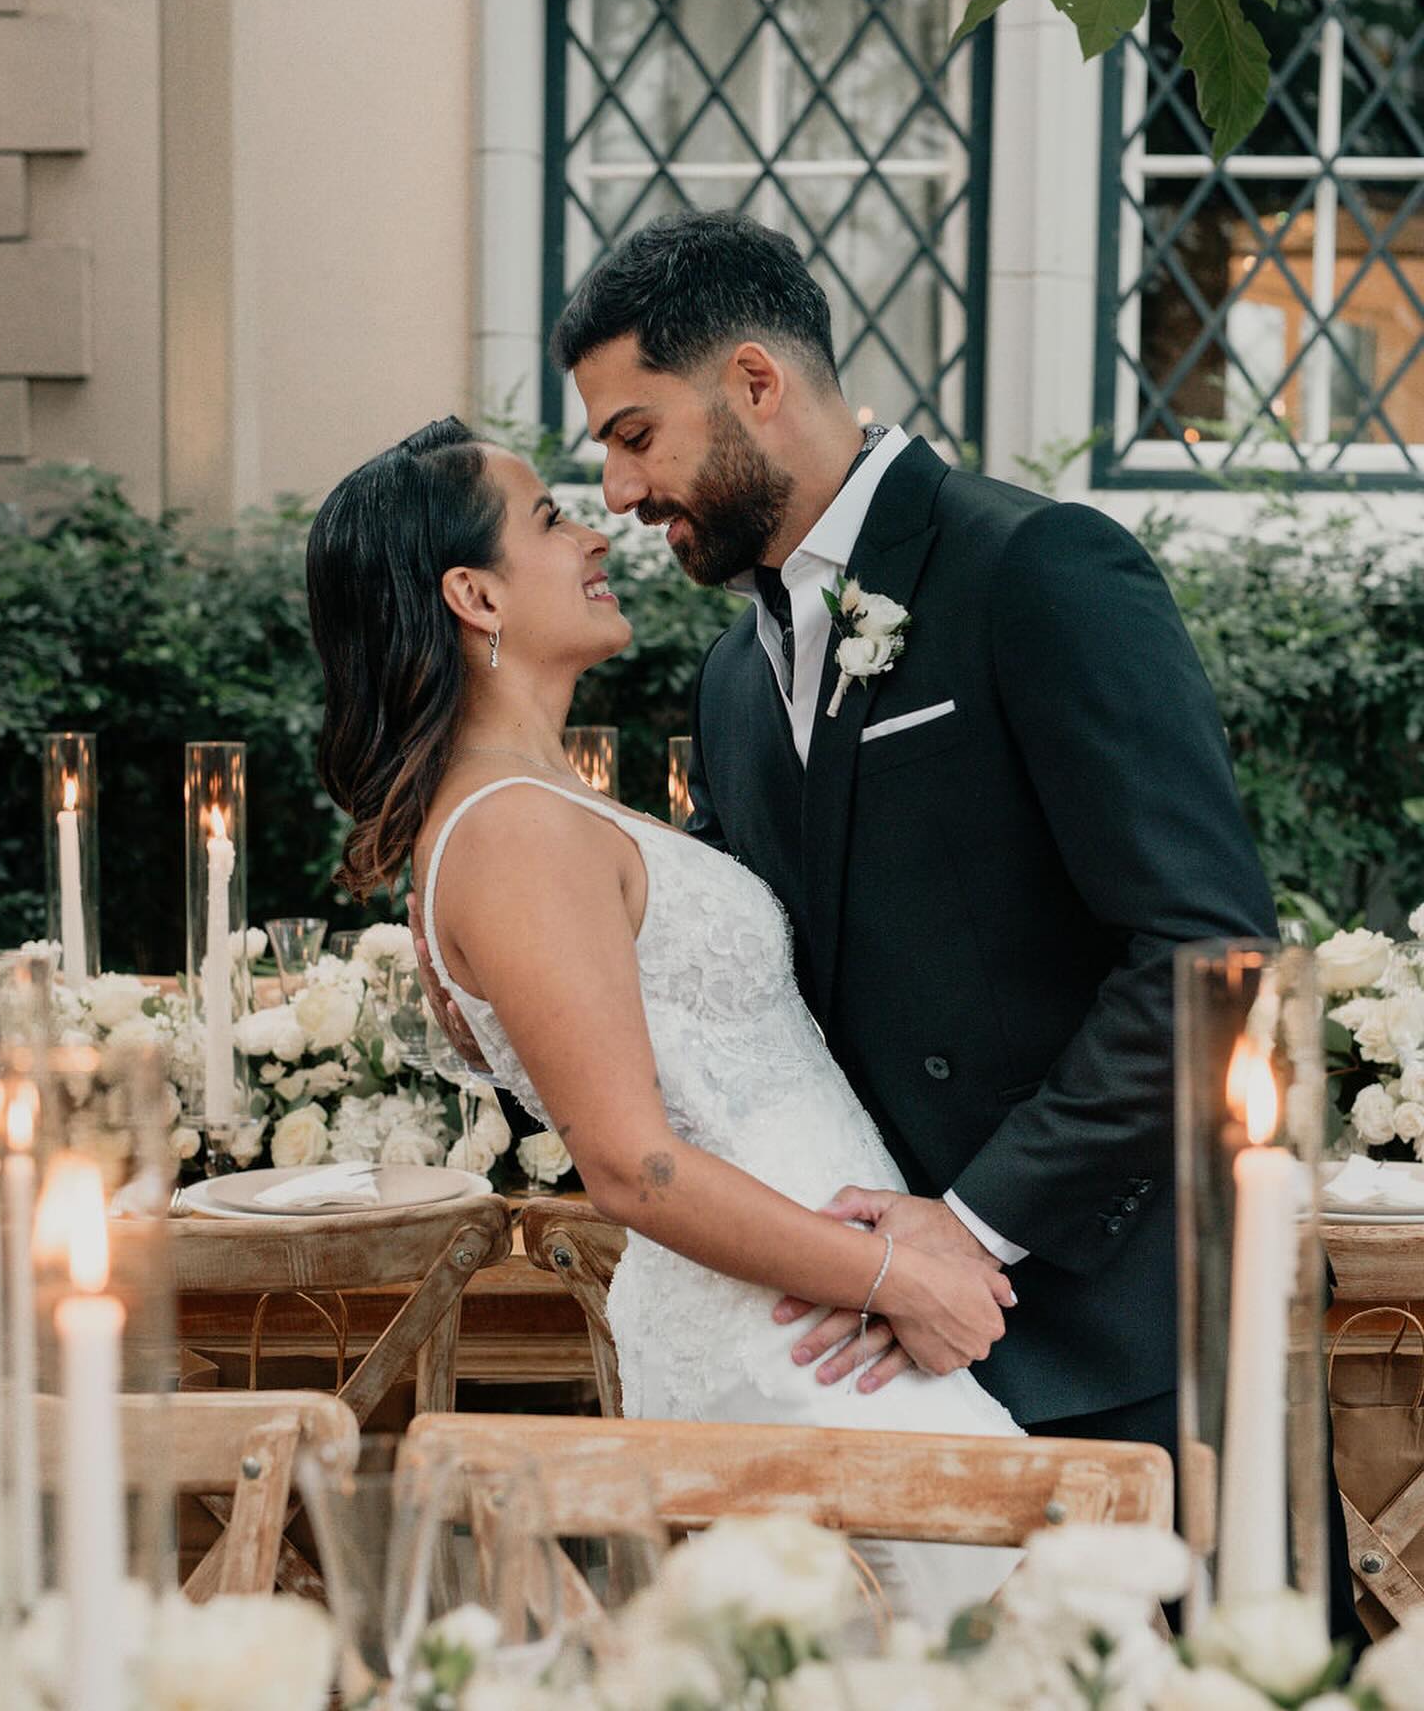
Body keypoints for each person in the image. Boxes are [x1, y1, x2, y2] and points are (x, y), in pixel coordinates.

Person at [547, 209, 1363, 1645]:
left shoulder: (1037, 571)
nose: (619, 490)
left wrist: (971, 1229)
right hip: (879, 1364)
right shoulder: (737, 680)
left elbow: (1203, 953)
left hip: (1118, 1345)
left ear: (753, 383)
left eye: (634, 434)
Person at [309, 417, 1022, 1618]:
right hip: (797, 1340)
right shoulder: (512, 834)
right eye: (547, 519)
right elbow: (633, 1166)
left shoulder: (535, 806)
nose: (594, 528)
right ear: (475, 594)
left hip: (825, 1319)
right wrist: (895, 1274)